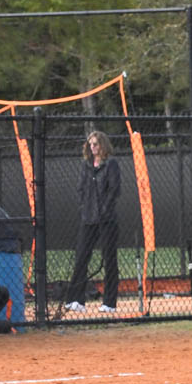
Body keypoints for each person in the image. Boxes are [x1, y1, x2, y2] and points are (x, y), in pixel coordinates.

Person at [64, 130, 120, 313]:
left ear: (103, 145)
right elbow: (81, 188)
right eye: (90, 144)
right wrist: (85, 207)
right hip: (88, 218)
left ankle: (109, 303)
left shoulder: (111, 164)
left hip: (106, 220)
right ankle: (76, 299)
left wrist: (104, 210)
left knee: (109, 259)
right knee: (81, 257)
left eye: (96, 144)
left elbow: (114, 190)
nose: (93, 147)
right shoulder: (86, 165)